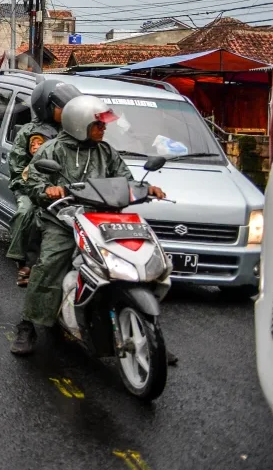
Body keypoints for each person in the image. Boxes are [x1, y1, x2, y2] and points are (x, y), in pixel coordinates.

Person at [10, 94, 165, 355]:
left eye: (104, 125)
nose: (104, 129)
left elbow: (125, 178)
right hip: (61, 221)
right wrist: (48, 189)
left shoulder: (106, 152)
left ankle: (148, 331)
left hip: (101, 220)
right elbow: (34, 181)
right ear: (80, 124)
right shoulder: (52, 150)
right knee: (49, 264)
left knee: (134, 259)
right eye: (99, 125)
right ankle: (28, 325)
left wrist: (145, 187)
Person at [5, 79, 82, 287]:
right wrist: (35, 186)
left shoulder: (75, 131)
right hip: (32, 187)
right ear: (46, 106)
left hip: (67, 190)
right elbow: (18, 166)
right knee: (27, 212)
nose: (67, 111)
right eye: (62, 107)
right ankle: (24, 261)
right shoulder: (30, 131)